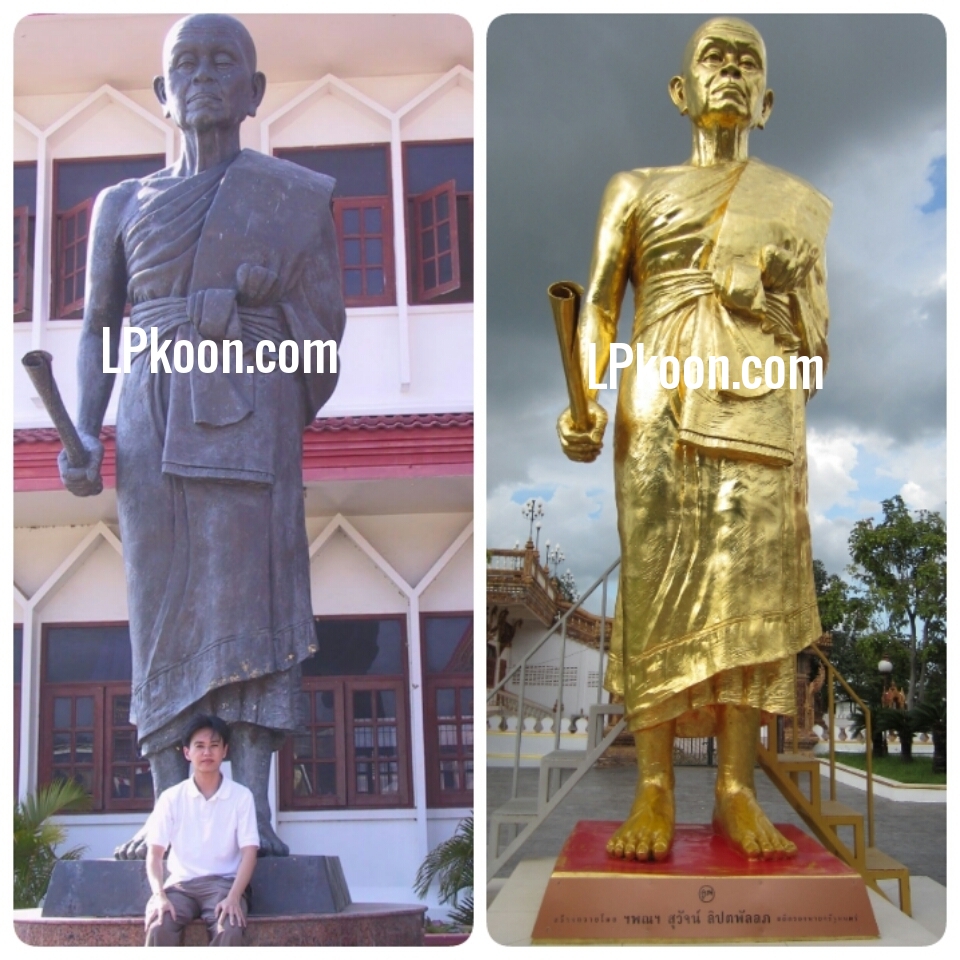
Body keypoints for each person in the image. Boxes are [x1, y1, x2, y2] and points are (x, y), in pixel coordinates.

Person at [58, 14, 345, 857]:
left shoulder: (293, 198)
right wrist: (84, 429)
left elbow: (324, 332)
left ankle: (251, 818)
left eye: (225, 61)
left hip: (252, 423)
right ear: (161, 91)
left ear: (254, 92)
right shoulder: (119, 204)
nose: (204, 75)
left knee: (252, 610)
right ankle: (167, 821)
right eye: (186, 62)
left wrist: (262, 313)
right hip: (150, 422)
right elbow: (97, 328)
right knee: (161, 613)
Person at [557, 17, 830, 861]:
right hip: (662, 394)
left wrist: (776, 289)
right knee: (659, 580)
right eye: (715, 58)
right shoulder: (635, 188)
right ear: (681, 91)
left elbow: (818, 348)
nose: (731, 72)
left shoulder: (796, 208)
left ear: (769, 98)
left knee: (750, 587)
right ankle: (653, 789)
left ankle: (738, 789)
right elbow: (602, 304)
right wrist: (586, 397)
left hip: (762, 401)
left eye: (749, 63)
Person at [144, 715, 259, 947]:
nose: (207, 753)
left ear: (225, 751)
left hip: (223, 885)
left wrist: (234, 897)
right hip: (180, 887)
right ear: (187, 753)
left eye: (214, 746)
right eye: (200, 746)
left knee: (230, 929)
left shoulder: (241, 796)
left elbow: (249, 852)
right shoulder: (171, 798)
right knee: (159, 926)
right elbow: (154, 854)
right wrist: (159, 896)